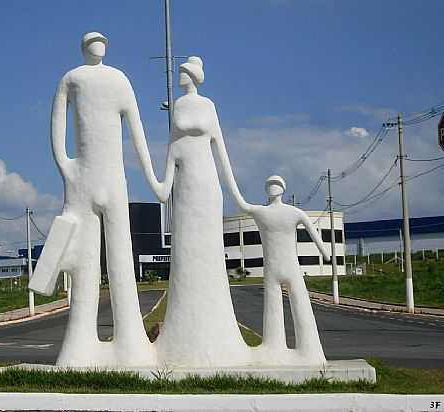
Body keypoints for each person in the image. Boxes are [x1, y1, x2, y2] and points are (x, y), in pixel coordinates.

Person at [29, 32, 158, 367]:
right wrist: (65, 166)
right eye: (91, 42)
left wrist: (153, 176)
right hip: (81, 179)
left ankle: (131, 343)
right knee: (85, 267)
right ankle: (80, 345)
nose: (97, 46)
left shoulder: (119, 79)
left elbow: (137, 129)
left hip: (113, 180)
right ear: (84, 48)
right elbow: (56, 125)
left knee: (122, 259)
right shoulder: (71, 79)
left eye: (101, 41)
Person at [149, 56, 252, 367]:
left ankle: (214, 332)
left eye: (184, 72)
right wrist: (163, 184)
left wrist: (239, 196)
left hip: (207, 185)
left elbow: (220, 147)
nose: (181, 76)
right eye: (180, 72)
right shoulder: (178, 106)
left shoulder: (207, 105)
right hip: (183, 188)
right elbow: (172, 147)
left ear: (193, 76)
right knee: (186, 256)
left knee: (208, 256)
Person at [235, 175, 330, 365]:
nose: (272, 188)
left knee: (301, 307)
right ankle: (274, 350)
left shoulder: (295, 212)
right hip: (272, 270)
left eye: (276, 184)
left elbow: (314, 233)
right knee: (273, 313)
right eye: (270, 184)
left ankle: (310, 351)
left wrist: (325, 252)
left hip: (291, 268)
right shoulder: (262, 212)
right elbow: (242, 203)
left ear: (283, 188)